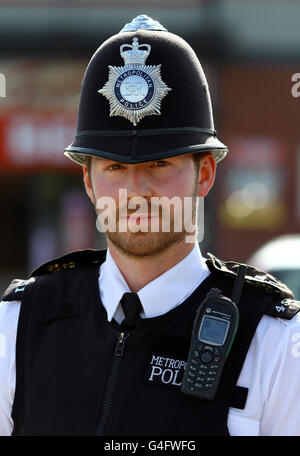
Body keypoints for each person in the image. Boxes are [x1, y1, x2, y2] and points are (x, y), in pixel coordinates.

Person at [1, 14, 300, 437]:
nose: (135, 190)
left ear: (206, 174)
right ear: (88, 181)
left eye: (160, 164)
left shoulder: (275, 344)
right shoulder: (17, 326)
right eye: (114, 167)